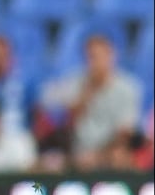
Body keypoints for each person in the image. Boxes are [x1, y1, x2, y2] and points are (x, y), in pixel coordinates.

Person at [37, 32, 143, 171]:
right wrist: (79, 101)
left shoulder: (128, 88)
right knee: (44, 163)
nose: (95, 62)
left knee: (121, 157)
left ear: (111, 56)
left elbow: (125, 133)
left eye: (100, 56)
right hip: (75, 149)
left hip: (108, 151)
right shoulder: (77, 82)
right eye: (91, 57)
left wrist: (98, 156)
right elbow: (45, 101)